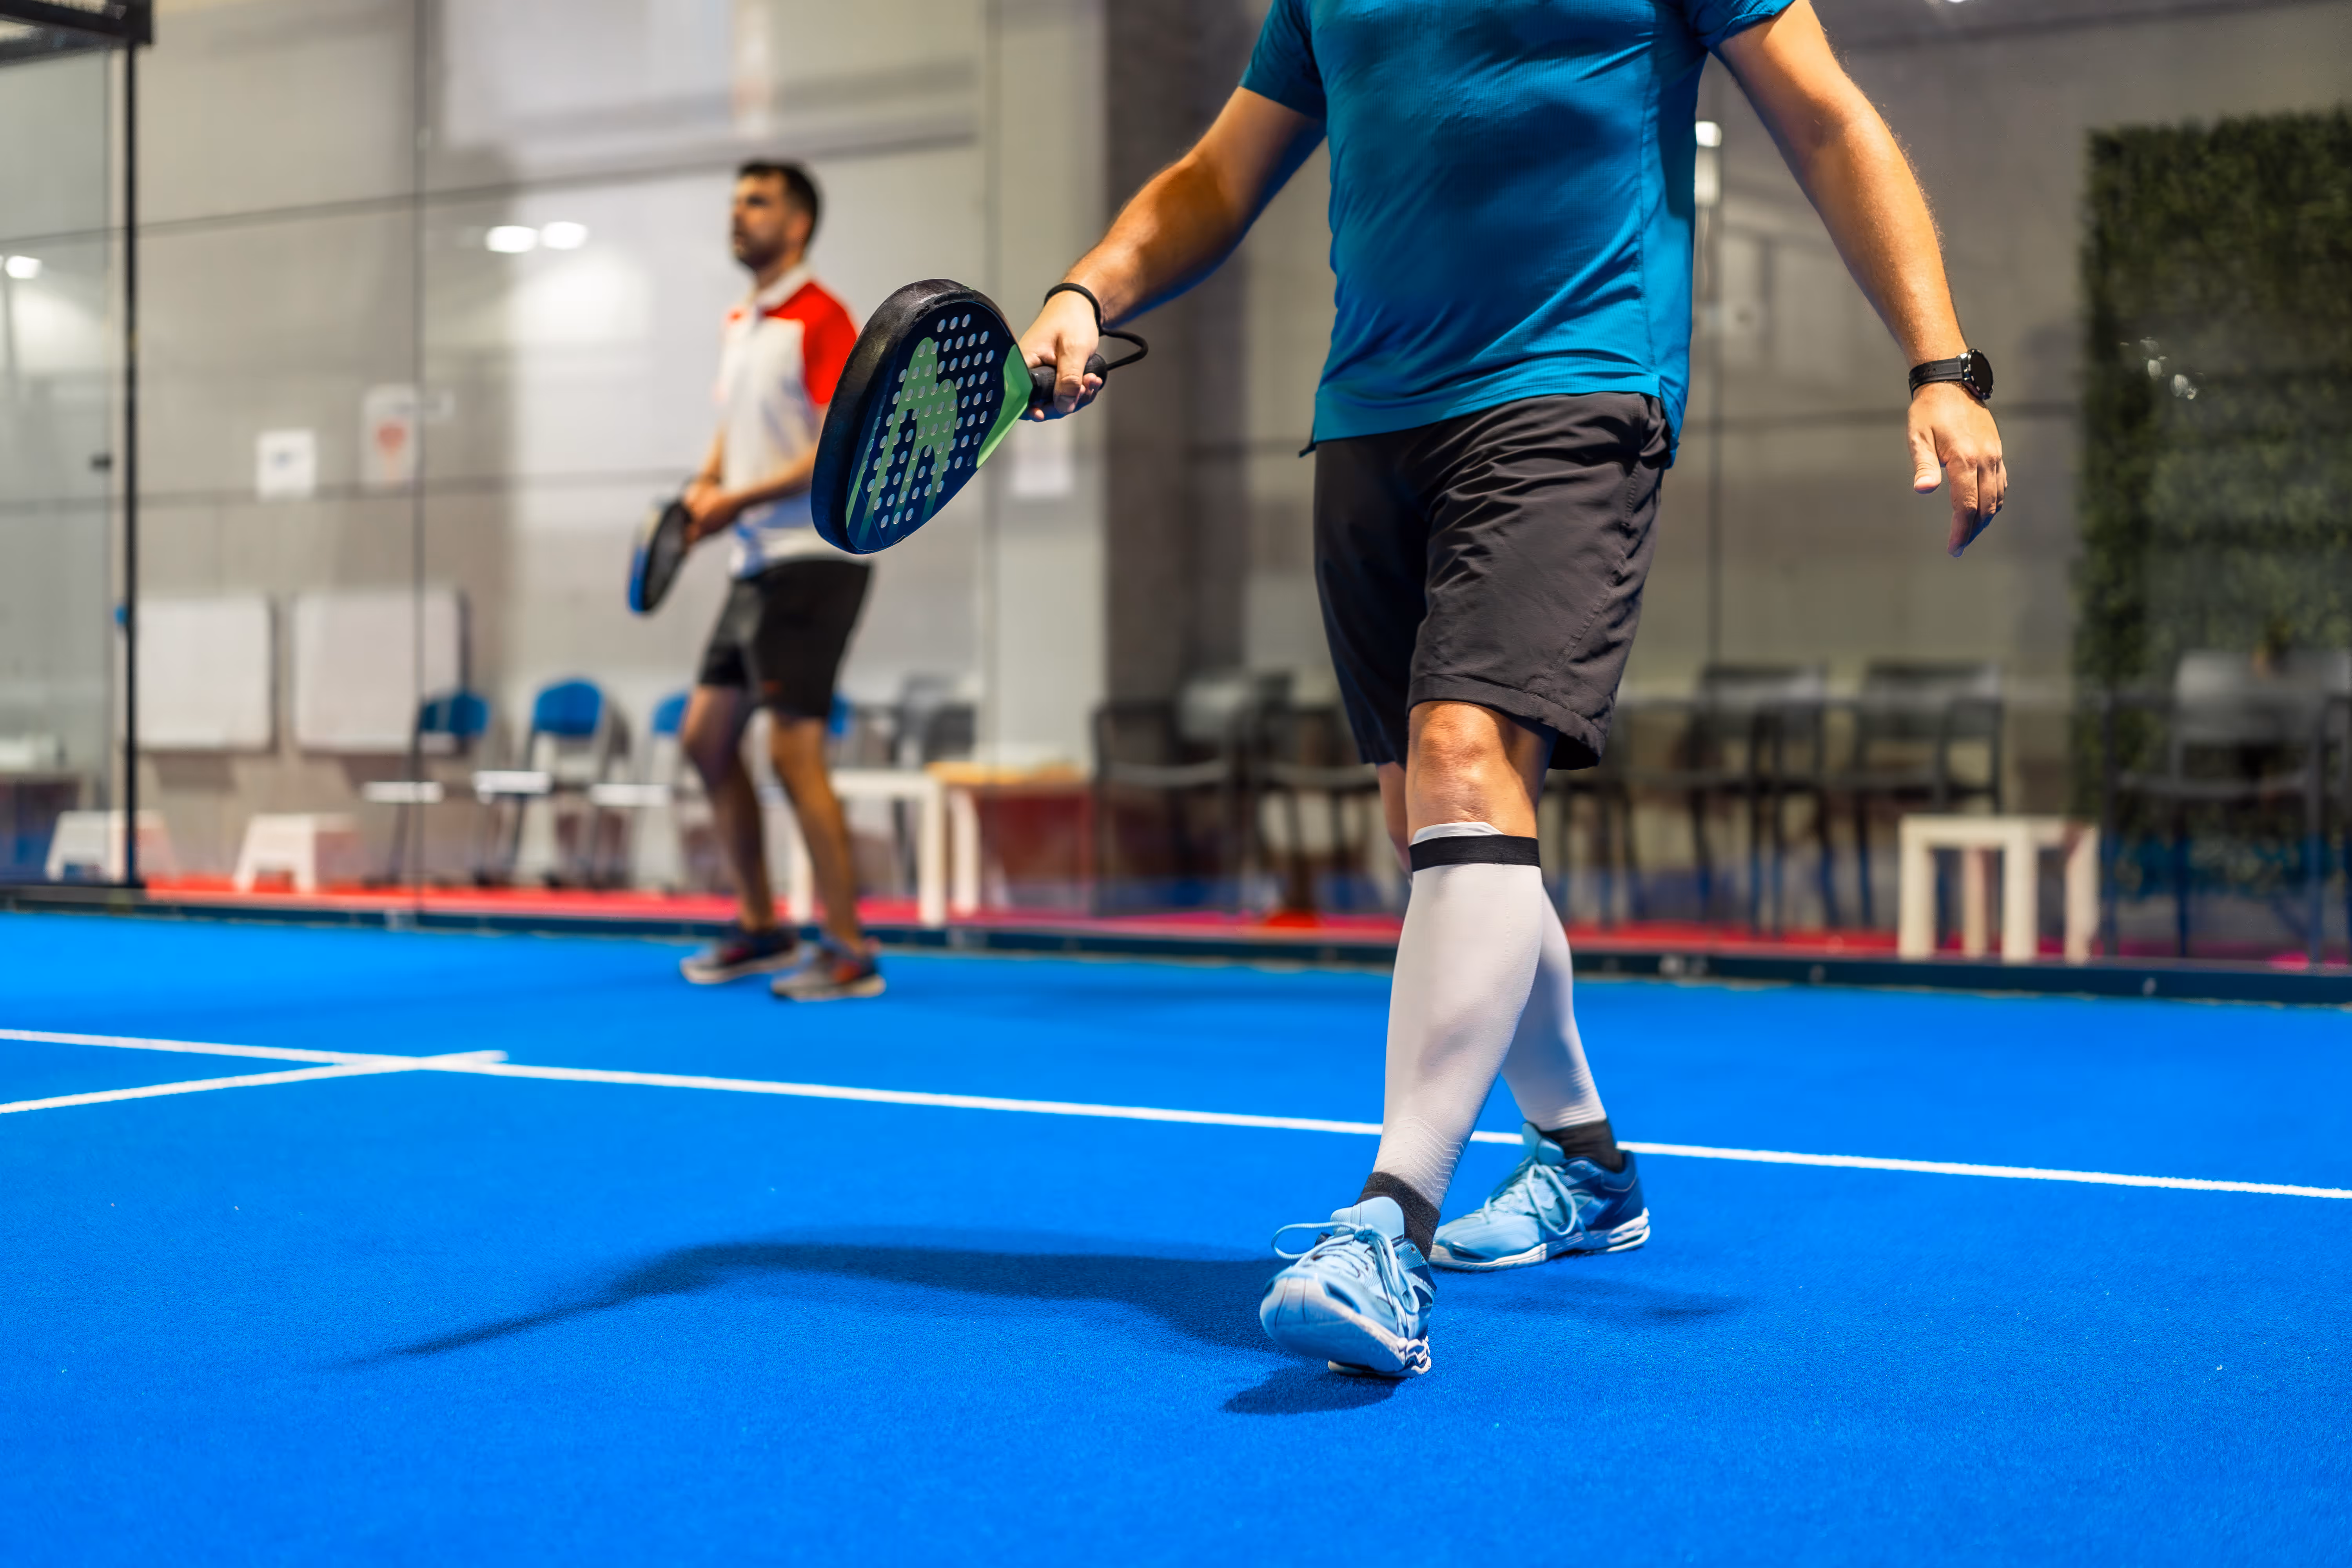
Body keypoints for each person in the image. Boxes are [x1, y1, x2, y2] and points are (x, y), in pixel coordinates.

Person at [1018, 0, 2005, 1375]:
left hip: (1574, 385)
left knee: (1466, 760)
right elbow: (1219, 175)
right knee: (1438, 830)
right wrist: (1087, 290)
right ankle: (1586, 1164)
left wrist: (1942, 364)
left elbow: (1829, 118)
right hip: (1372, 417)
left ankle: (1387, 1227)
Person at [675, 160, 885, 1002]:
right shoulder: (743, 322)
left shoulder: (822, 318)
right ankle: (762, 927)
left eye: (757, 203)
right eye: (735, 202)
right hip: (754, 562)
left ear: (797, 225)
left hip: (815, 560)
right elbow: (734, 432)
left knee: (794, 752)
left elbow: (836, 444)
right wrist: (705, 486)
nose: (740, 215)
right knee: (705, 737)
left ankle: (850, 949)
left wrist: (738, 499)